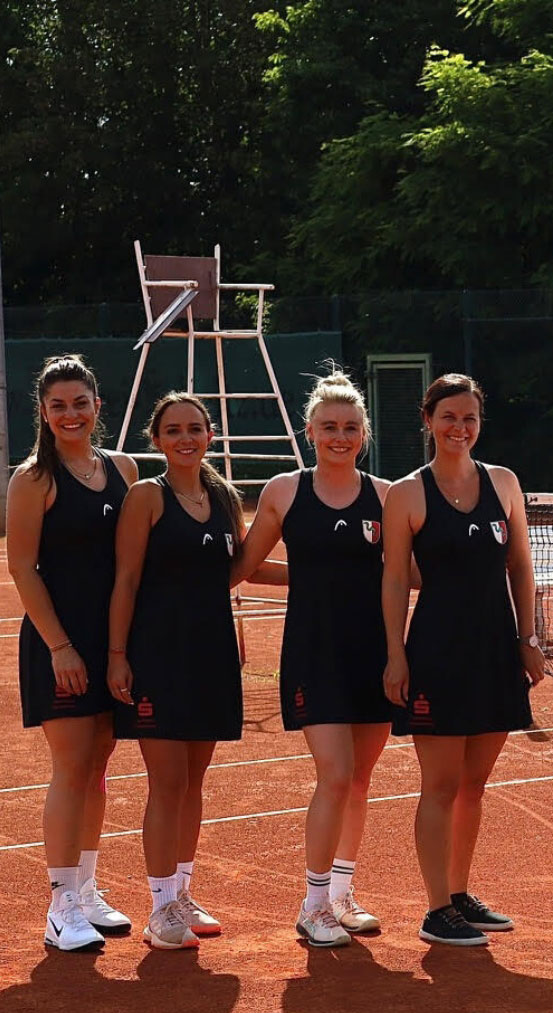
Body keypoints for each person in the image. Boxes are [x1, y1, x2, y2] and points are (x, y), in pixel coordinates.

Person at [233, 368, 394, 948]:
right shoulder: (284, 491)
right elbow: (246, 566)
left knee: (361, 779)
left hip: (374, 653)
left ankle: (343, 895)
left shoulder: (387, 495)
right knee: (336, 773)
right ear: (310, 431)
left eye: (350, 427)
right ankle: (314, 903)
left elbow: (403, 572)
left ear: (363, 434)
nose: (340, 437)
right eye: (329, 427)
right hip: (313, 653)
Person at [382, 374, 544, 948]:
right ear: (428, 420)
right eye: (448, 416)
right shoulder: (407, 493)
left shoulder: (504, 482)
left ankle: (458, 893)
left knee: (474, 784)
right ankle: (435, 910)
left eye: (469, 417)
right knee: (441, 785)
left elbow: (521, 565)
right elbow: (395, 578)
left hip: (495, 650)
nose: (460, 427)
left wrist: (529, 637)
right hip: (436, 653)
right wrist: (396, 655)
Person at [7, 356, 139, 950]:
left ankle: (85, 890)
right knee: (71, 765)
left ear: (96, 406)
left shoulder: (123, 469)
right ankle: (60, 906)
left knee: (98, 766)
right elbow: (22, 568)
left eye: (80, 403)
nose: (70, 414)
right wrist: (60, 646)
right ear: (43, 411)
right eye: (58, 405)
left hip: (111, 639)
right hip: (58, 640)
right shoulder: (32, 479)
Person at [107, 394, 246, 950]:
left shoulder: (224, 497)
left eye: (194, 428)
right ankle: (160, 906)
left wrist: (331, 566)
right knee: (166, 783)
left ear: (209, 435)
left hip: (211, 653)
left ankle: (182, 895)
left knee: (193, 782)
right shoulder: (146, 496)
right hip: (158, 654)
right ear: (157, 439)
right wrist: (118, 654)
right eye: (173, 430)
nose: (185, 438)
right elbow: (125, 579)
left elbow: (237, 568)